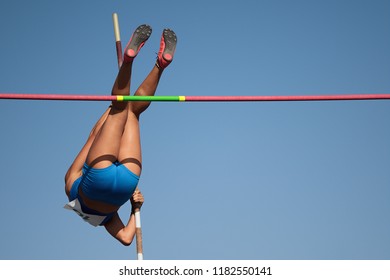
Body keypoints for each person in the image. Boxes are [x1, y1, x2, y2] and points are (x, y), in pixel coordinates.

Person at [64, 24, 177, 246]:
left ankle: (160, 65)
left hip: (126, 182)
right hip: (98, 174)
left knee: (132, 112)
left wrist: (135, 208)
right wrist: (112, 109)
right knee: (120, 106)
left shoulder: (106, 218)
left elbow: (126, 238)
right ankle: (129, 60)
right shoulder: (70, 186)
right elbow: (93, 138)